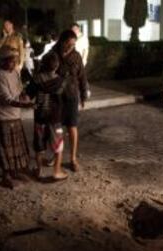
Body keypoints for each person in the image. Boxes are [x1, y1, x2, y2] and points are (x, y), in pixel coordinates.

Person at [0, 46, 34, 189]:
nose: (13, 64)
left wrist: (24, 96)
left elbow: (19, 90)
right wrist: (25, 105)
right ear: (3, 61)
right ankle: (6, 176)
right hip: (1, 117)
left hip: (14, 116)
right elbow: (5, 99)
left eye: (15, 61)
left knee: (15, 148)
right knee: (5, 149)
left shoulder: (14, 73)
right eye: (11, 61)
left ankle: (14, 172)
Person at [51, 30, 88, 172]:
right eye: (69, 44)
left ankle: (73, 158)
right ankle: (56, 157)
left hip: (72, 96)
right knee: (56, 129)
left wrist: (83, 94)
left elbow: (82, 76)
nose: (71, 47)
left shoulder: (76, 56)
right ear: (63, 41)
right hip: (57, 96)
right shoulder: (53, 54)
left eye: (74, 44)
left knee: (72, 127)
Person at [26, 52, 68, 180]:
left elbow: (27, 96)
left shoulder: (36, 79)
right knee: (58, 145)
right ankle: (57, 171)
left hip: (40, 117)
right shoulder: (61, 82)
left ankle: (39, 171)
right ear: (56, 65)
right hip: (55, 118)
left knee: (39, 145)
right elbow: (66, 101)